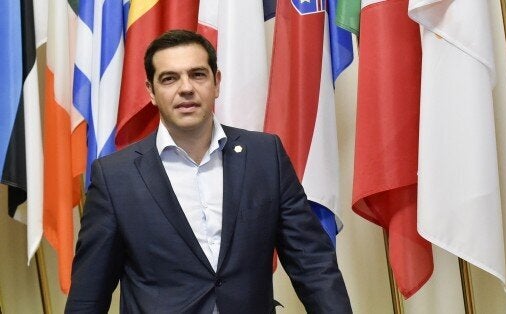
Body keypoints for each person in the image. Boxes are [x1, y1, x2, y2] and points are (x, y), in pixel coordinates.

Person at [65, 29, 352, 314]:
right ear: (151, 91)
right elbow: (89, 293)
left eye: (198, 74)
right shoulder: (115, 177)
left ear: (216, 83)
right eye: (169, 78)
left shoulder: (265, 156)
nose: (186, 88)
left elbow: (312, 264)